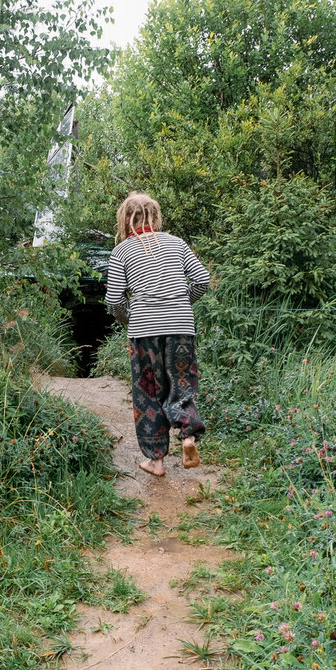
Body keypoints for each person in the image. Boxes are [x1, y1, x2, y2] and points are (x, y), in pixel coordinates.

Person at [105, 191, 211, 477]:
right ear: (154, 216)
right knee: (181, 385)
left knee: (148, 392)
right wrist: (179, 304)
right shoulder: (177, 244)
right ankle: (188, 436)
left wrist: (131, 321)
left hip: (144, 331)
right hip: (181, 328)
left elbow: (114, 301)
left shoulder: (122, 251)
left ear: (125, 219)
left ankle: (156, 461)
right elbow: (202, 279)